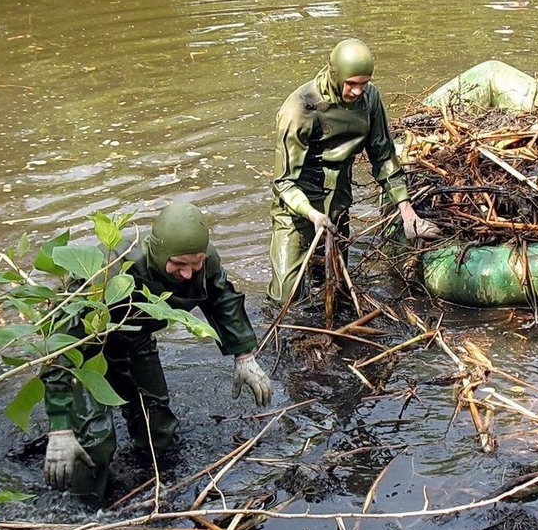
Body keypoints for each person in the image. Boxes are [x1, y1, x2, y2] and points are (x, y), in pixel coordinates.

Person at [42, 200, 272, 498]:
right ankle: (86, 515)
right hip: (84, 353)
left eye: (196, 263)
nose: (189, 274)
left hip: (136, 341)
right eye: (179, 265)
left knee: (159, 428)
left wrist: (245, 356)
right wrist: (59, 427)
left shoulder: (203, 262)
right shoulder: (108, 269)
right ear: (160, 253)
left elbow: (222, 300)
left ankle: (156, 493)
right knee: (96, 442)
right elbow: (59, 346)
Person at [268, 37, 440, 304]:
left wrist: (407, 212)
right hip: (297, 212)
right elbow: (284, 182)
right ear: (336, 75)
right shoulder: (300, 109)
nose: (358, 91)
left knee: (337, 292)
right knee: (287, 298)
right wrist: (312, 215)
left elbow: (383, 154)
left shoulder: (370, 99)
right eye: (351, 84)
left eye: (364, 83)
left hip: (337, 206)